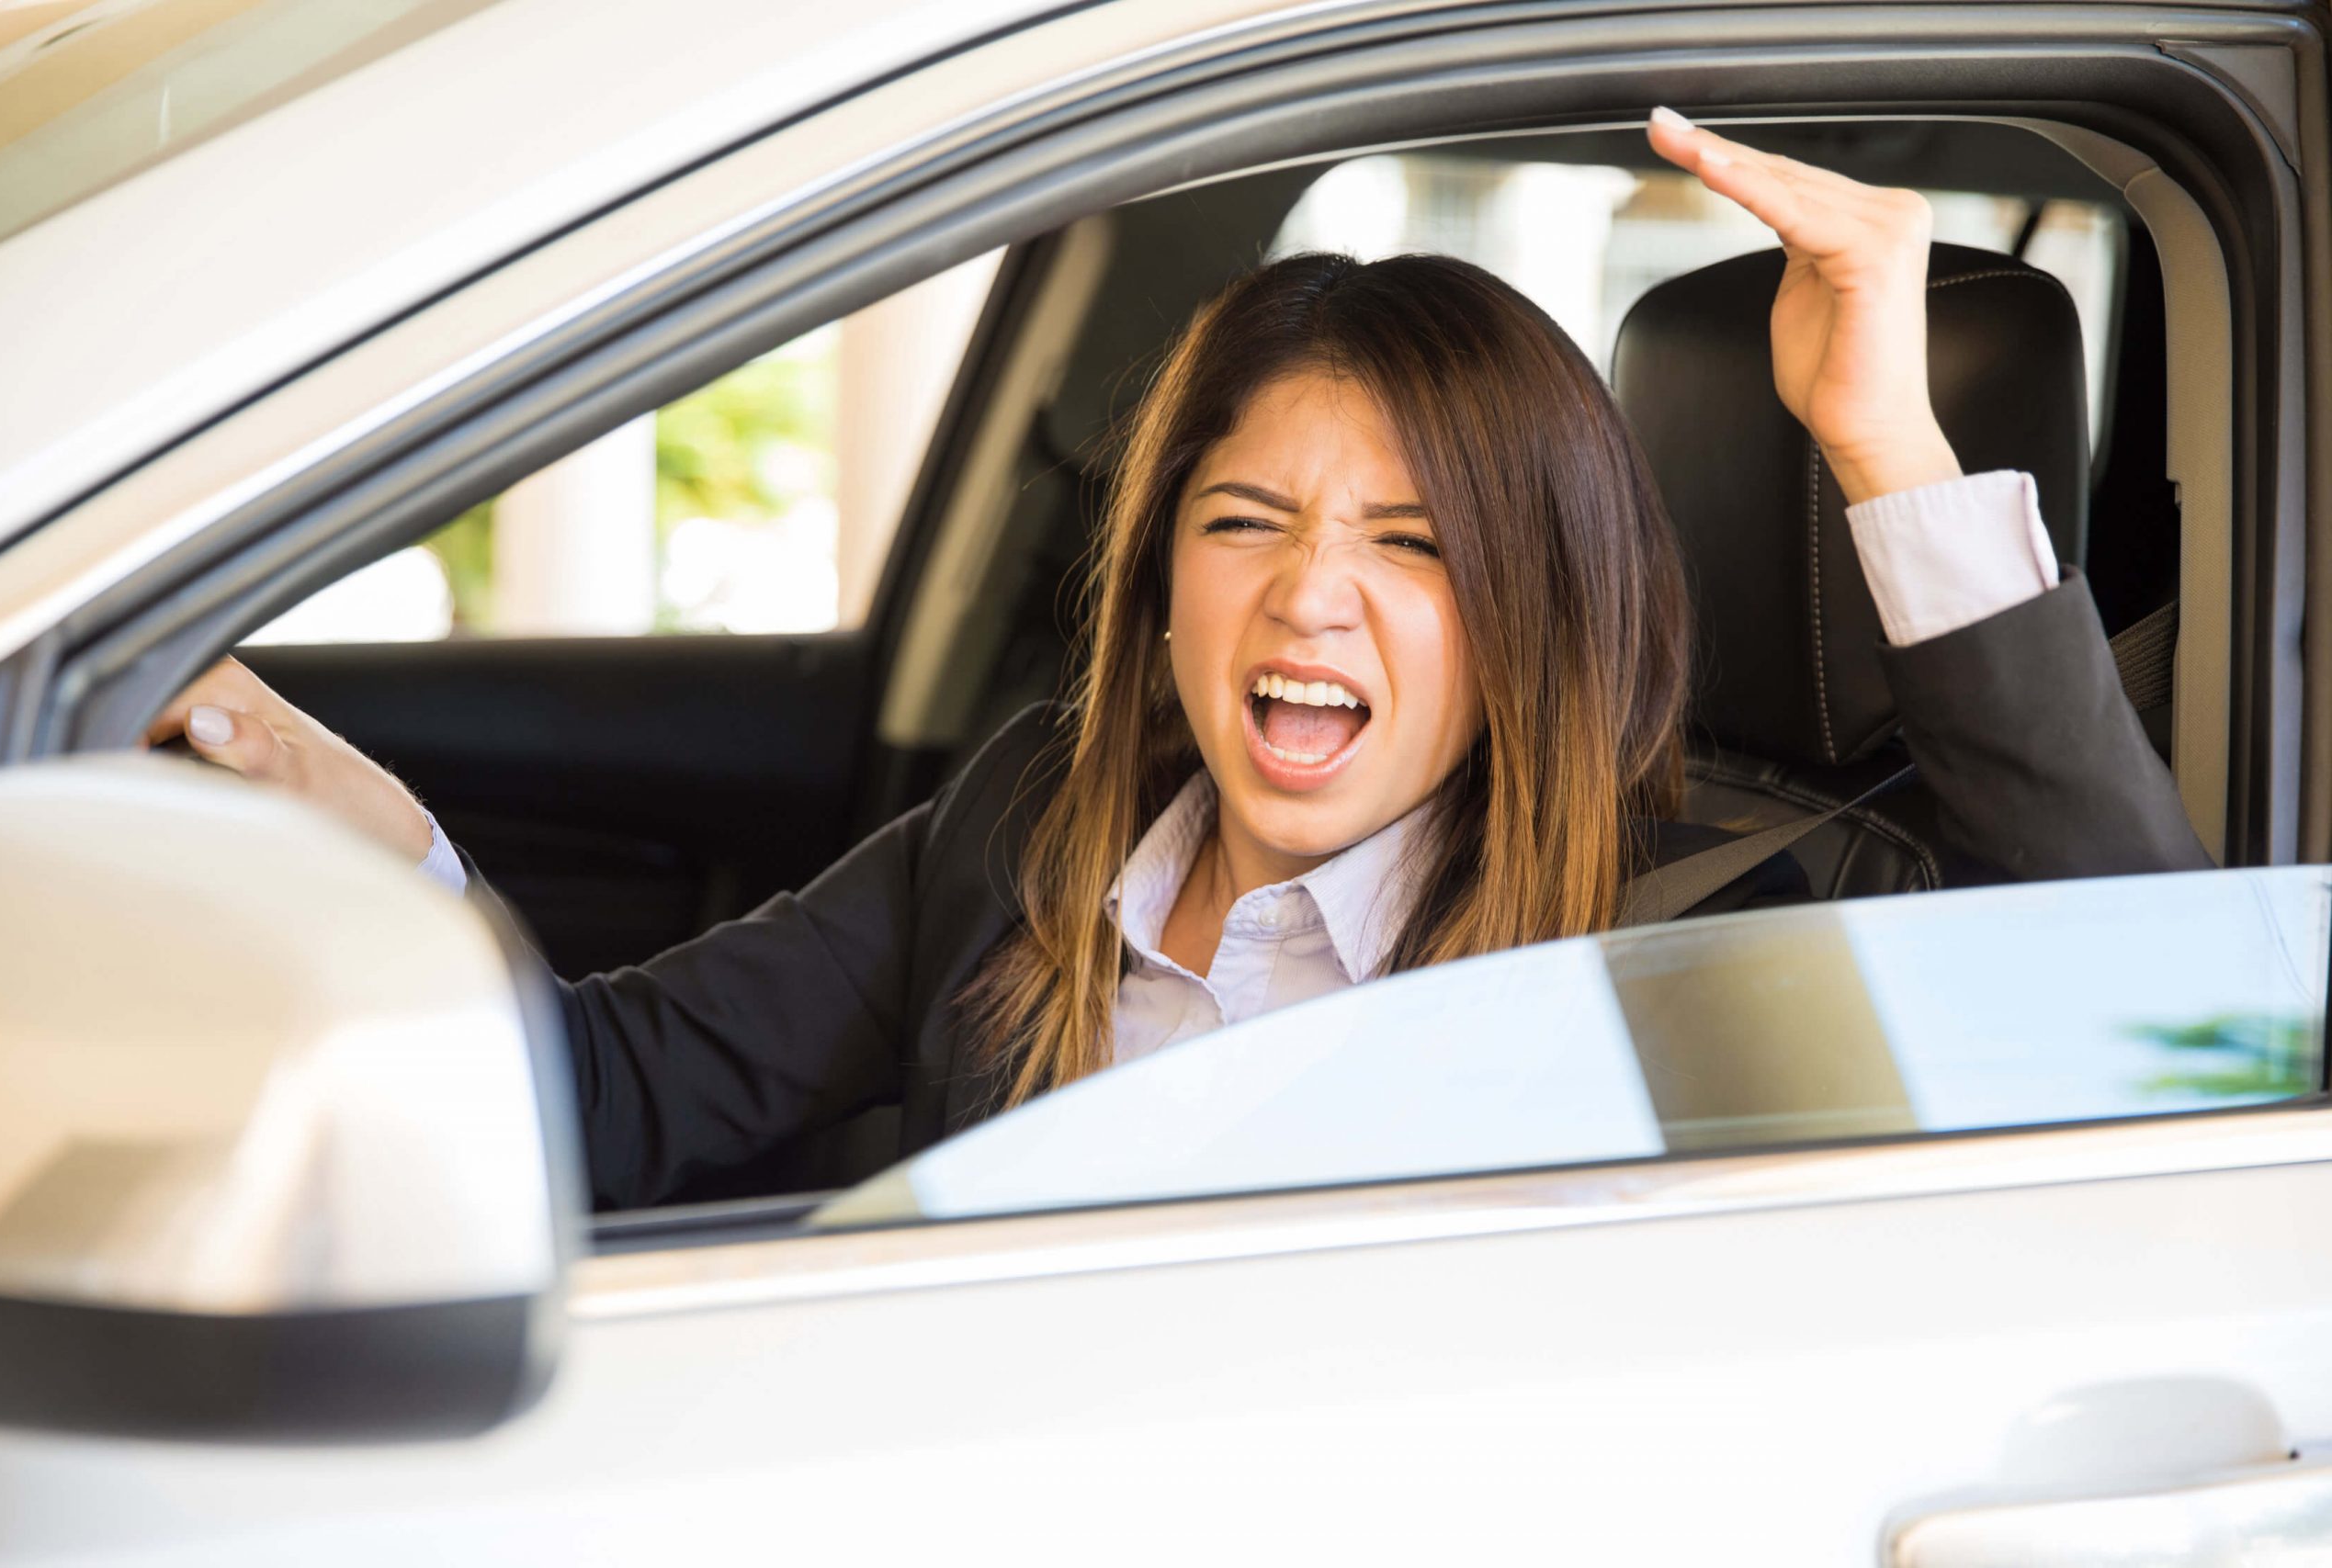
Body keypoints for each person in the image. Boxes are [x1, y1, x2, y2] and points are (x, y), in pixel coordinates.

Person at [150, 112, 2208, 1208]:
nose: (1309, 595)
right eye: (1247, 521)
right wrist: (373, 830)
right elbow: (603, 1103)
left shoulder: (1727, 907)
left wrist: (1883, 443)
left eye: (1413, 547)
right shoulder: (1039, 819)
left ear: (1529, 626)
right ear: (1160, 582)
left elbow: (2147, 1024)